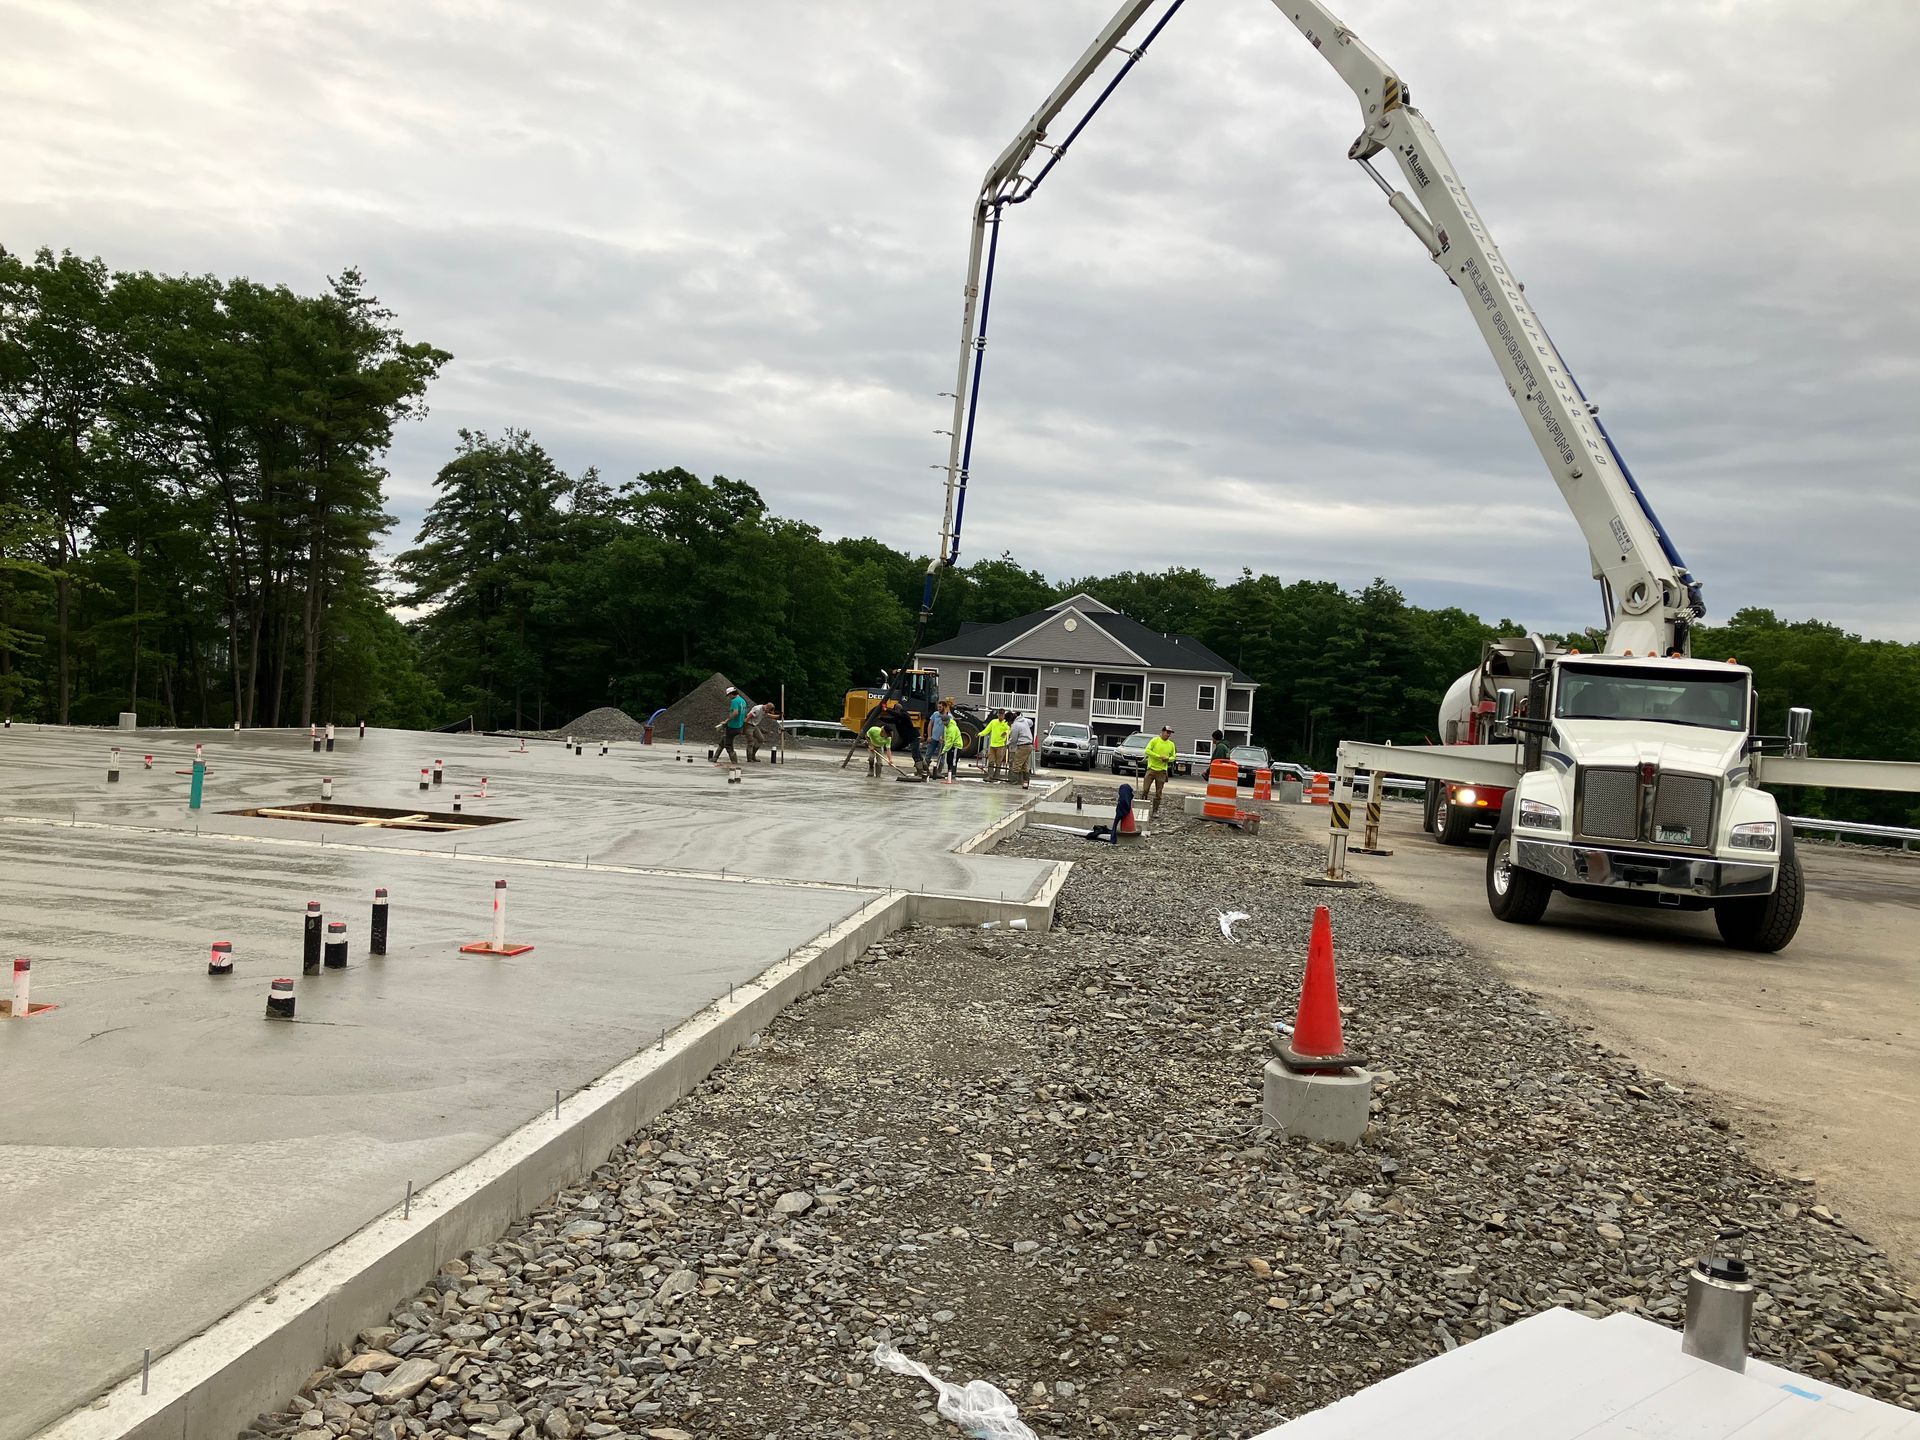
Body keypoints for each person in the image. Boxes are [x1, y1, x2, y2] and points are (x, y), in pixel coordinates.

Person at [1141, 723, 1178, 810]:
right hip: (1151, 769)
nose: (1168, 734)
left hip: (1162, 771)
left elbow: (1174, 757)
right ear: (1162, 732)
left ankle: (1155, 810)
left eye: (1170, 733)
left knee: (1158, 792)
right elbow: (1147, 751)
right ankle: (1143, 806)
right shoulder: (1155, 740)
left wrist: (1168, 759)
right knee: (1145, 789)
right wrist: (1158, 756)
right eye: (1167, 732)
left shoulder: (1171, 744)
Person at [717, 685, 748, 764]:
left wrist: (726, 721)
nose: (729, 697)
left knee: (728, 745)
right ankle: (715, 758)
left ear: (731, 694)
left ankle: (734, 761)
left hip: (733, 726)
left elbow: (735, 713)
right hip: (739, 725)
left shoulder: (734, 701)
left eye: (728, 695)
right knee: (724, 739)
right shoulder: (743, 700)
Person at [1008, 709, 1035, 789]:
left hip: (1022, 745)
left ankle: (1014, 782)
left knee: (1016, 764)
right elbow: (1031, 722)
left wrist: (1007, 744)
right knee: (1025, 766)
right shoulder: (1024, 721)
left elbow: (1013, 739)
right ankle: (1025, 783)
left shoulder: (1015, 725)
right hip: (1029, 745)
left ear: (1010, 720)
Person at [983, 709, 1011, 781]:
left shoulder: (1006, 723)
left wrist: (1006, 732)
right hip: (992, 745)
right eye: (999, 714)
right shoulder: (993, 722)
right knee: (991, 761)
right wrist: (980, 734)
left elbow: (1009, 729)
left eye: (1002, 715)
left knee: (998, 762)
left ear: (1004, 715)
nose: (1000, 716)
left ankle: (996, 776)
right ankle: (990, 776)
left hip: (1001, 745)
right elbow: (987, 729)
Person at [941, 699, 964, 783]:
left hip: (956, 745)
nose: (945, 723)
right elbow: (947, 737)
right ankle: (949, 774)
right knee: (949, 760)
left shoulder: (952, 728)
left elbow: (950, 740)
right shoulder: (946, 726)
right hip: (951, 745)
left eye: (946, 722)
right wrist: (943, 739)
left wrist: (944, 750)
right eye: (944, 722)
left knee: (953, 760)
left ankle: (952, 775)